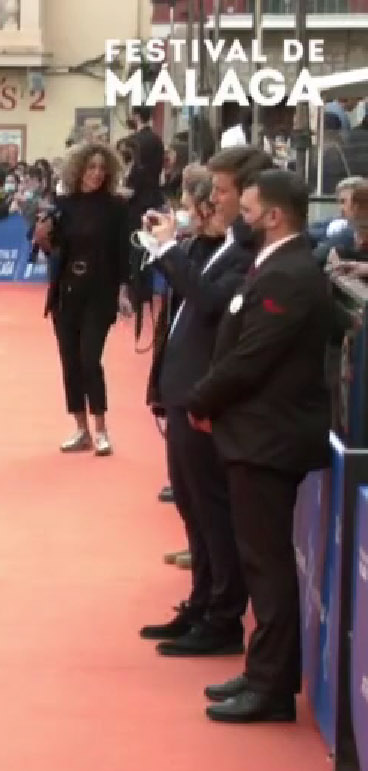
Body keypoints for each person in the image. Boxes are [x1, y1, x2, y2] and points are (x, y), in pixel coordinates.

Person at [185, 169, 332, 724]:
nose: (238, 220)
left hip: (269, 437)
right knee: (260, 562)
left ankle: (271, 689)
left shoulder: (292, 274)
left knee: (267, 569)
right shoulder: (276, 266)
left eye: (246, 212)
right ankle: (261, 670)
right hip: (254, 433)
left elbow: (253, 357)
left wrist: (203, 399)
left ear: (273, 216)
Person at [140, 148, 270, 659]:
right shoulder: (215, 245)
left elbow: (211, 303)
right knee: (193, 509)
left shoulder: (247, 254)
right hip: (180, 388)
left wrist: (172, 249)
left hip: (204, 395)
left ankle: (222, 617)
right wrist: (183, 238)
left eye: (220, 193)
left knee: (213, 512)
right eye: (209, 192)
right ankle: (201, 603)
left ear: (249, 197)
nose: (209, 201)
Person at [32, 142, 134, 455]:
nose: (97, 174)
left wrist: (124, 291)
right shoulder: (63, 204)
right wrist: (43, 237)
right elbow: (53, 248)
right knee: (70, 361)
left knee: (90, 359)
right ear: (78, 169)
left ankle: (101, 429)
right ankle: (81, 429)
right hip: (67, 290)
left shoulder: (116, 207)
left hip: (100, 291)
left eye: (102, 168)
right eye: (91, 168)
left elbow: (123, 253)